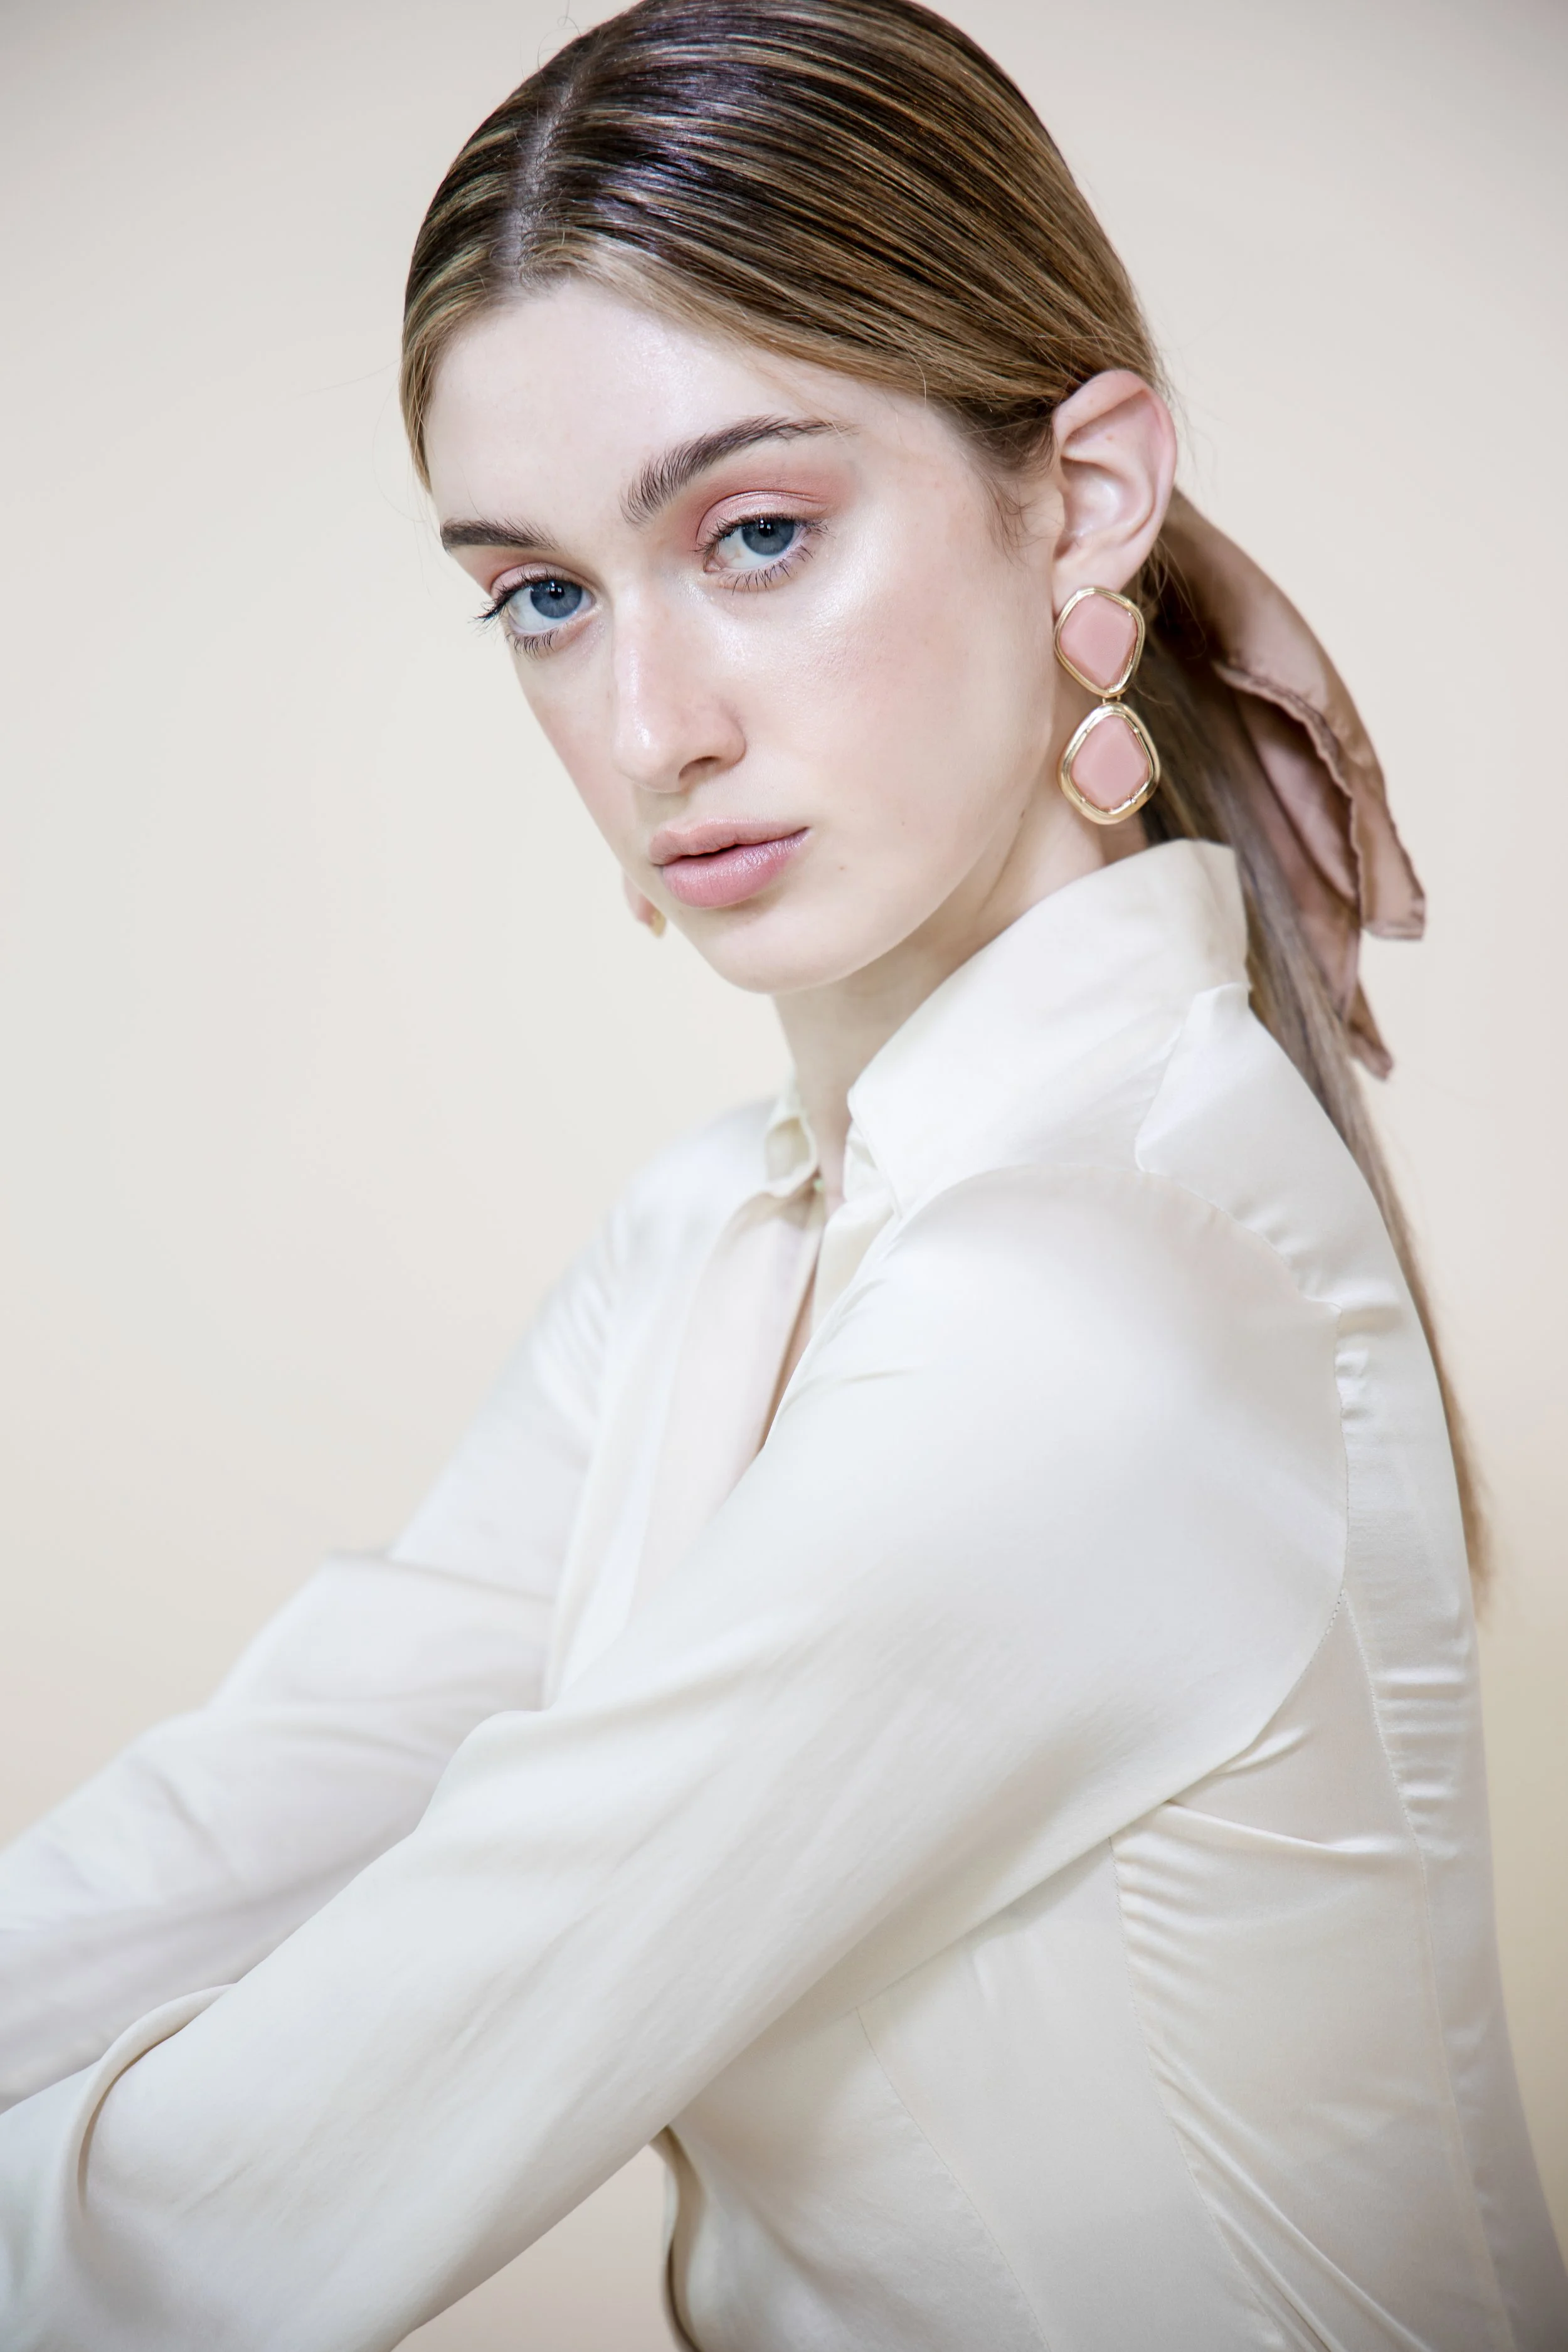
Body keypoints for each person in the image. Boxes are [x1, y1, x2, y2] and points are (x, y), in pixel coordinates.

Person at [1, 1, 1563, 2344]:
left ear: (1087, 493)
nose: (649, 729)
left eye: (754, 535)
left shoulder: (1082, 1318)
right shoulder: (723, 1239)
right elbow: (247, 1825)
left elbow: (237, 2215)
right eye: (543, 595)